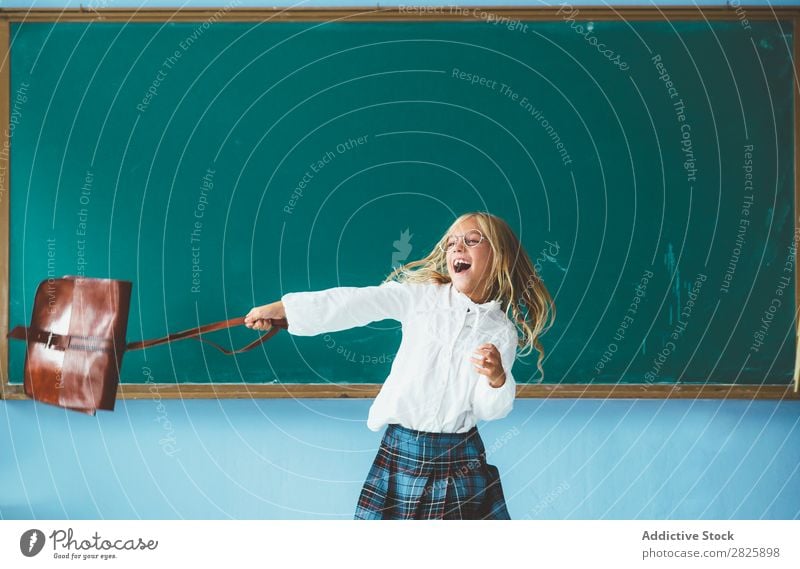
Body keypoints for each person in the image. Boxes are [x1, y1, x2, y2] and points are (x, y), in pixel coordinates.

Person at [244, 211, 555, 519]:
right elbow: (355, 302)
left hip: (460, 458)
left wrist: (497, 378)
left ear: (499, 256)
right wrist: (286, 310)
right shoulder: (422, 299)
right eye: (451, 243)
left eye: (472, 240)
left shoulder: (500, 331)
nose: (458, 247)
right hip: (401, 451)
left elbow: (489, 410)